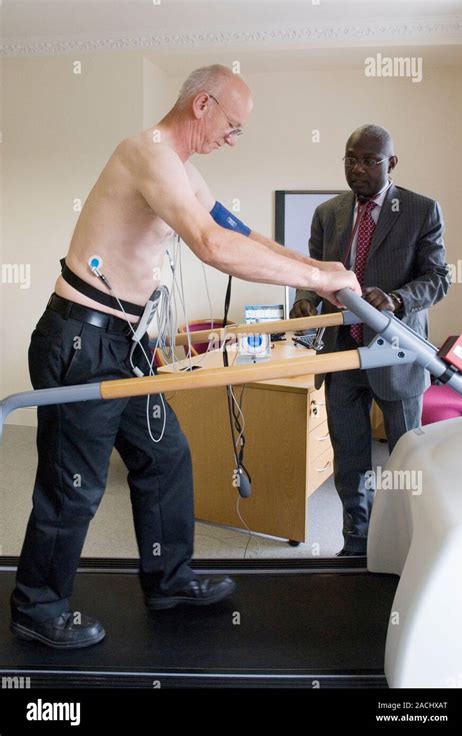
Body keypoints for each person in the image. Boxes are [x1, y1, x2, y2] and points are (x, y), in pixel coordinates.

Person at [10, 64, 360, 648]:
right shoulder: (147, 153)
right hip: (82, 338)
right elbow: (213, 245)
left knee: (166, 458)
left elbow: (236, 230)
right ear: (203, 105)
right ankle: (36, 607)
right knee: (74, 483)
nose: (234, 137)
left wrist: (319, 270)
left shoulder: (186, 174)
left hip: (126, 343)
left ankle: (169, 581)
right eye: (234, 125)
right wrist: (315, 278)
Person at [291, 124, 450, 557]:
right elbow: (313, 272)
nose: (358, 169)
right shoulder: (329, 213)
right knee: (351, 459)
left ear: (391, 164)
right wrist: (305, 300)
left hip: (396, 355)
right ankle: (356, 541)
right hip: (342, 354)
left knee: (406, 463)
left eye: (369, 160)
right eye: (350, 159)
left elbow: (438, 279)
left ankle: (407, 544)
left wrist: (397, 299)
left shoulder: (421, 210)